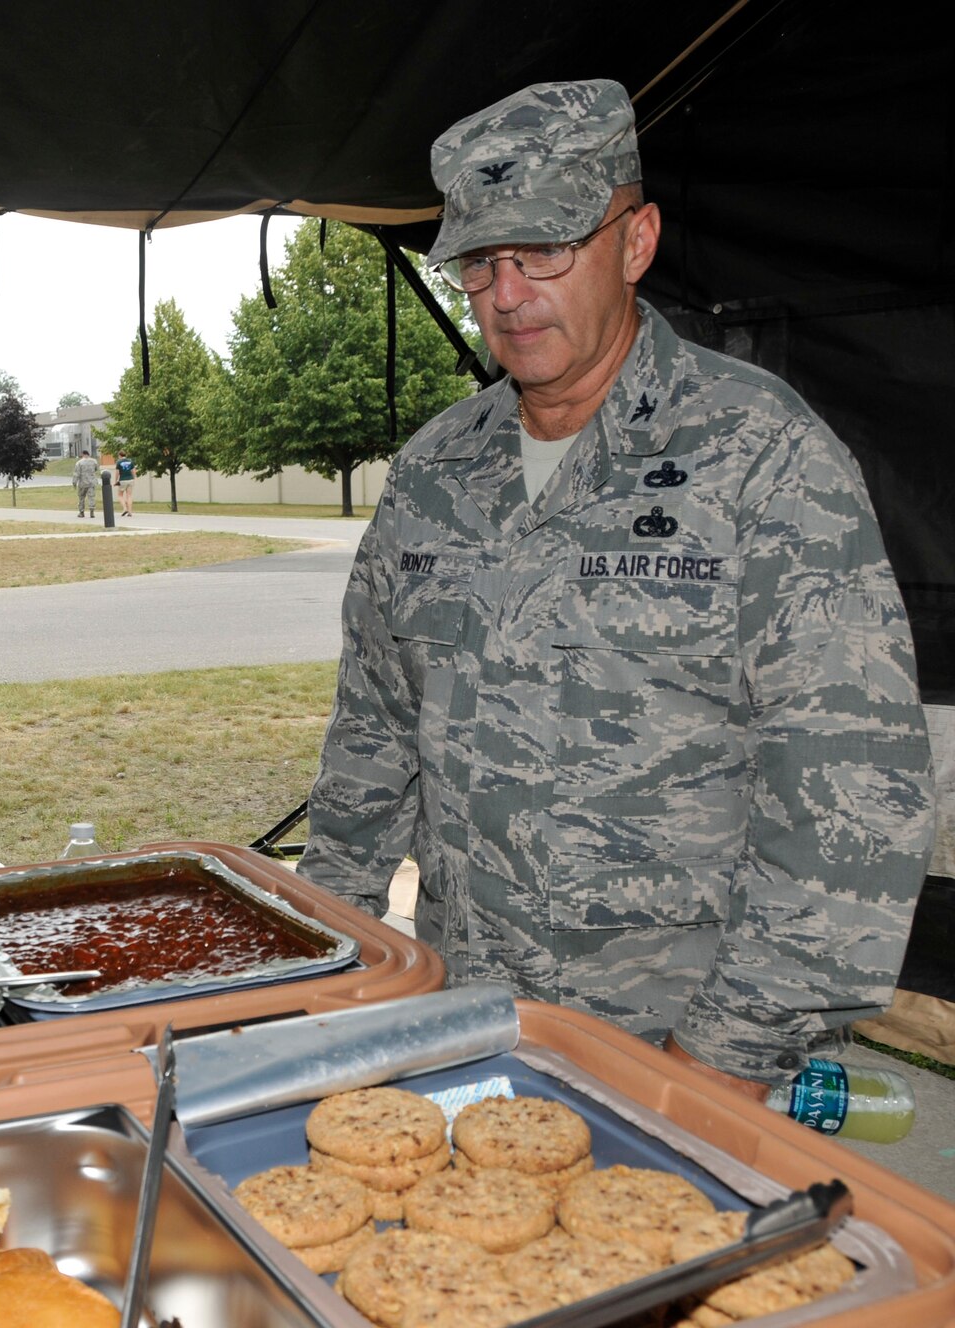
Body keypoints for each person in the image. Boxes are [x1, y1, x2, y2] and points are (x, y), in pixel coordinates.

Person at [296, 79, 935, 1099]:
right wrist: (325, 981)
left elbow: (848, 795)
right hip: (466, 1031)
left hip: (680, 1047)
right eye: (480, 262)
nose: (507, 294)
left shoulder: (758, 456)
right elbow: (366, 754)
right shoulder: (433, 470)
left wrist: (719, 1064)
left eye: (542, 251)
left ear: (633, 242)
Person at [72, 448, 99, 517]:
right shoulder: (94, 461)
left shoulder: (79, 463)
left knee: (81, 497)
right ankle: (92, 511)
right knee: (91, 497)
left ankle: (81, 512)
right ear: (88, 454)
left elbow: (76, 474)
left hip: (82, 483)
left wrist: (74, 482)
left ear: (83, 454)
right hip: (91, 482)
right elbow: (96, 469)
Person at [115, 451, 136, 516]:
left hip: (123, 480)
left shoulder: (119, 462)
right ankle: (130, 512)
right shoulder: (130, 461)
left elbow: (117, 473)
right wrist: (134, 478)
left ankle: (125, 508)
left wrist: (116, 481)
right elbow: (133, 471)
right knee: (129, 496)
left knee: (120, 495)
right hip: (130, 479)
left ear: (119, 455)